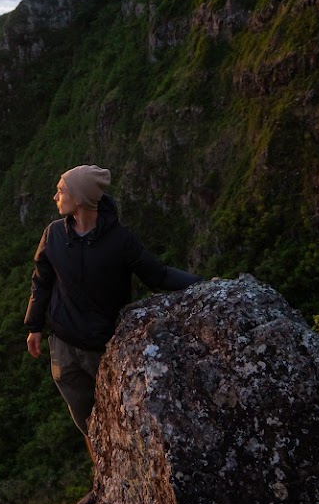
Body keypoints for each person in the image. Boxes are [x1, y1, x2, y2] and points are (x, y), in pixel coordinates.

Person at [24, 163, 199, 467]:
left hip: (101, 349)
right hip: (63, 347)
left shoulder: (120, 241)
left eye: (61, 190)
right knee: (86, 423)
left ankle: (123, 478)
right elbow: (42, 280)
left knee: (117, 420)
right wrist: (34, 325)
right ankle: (102, 480)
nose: (55, 196)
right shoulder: (53, 234)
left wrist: (206, 285)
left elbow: (158, 275)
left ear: (79, 198)